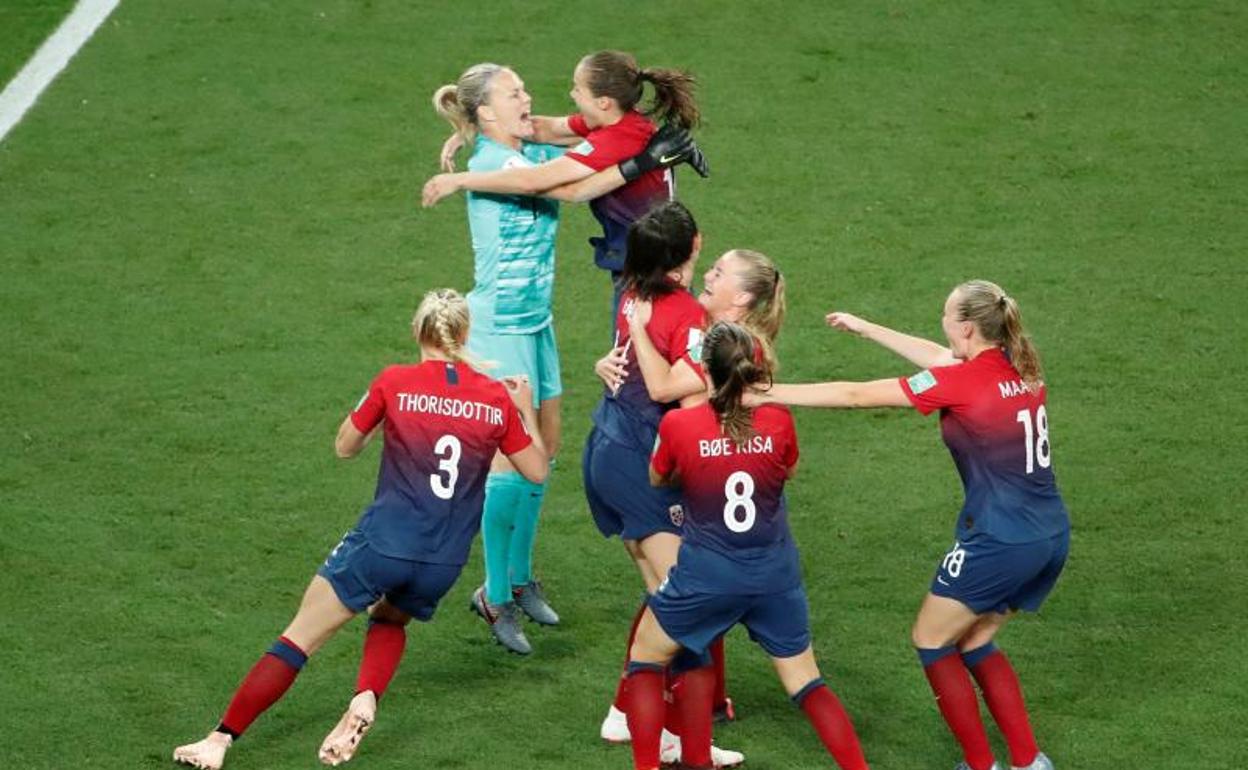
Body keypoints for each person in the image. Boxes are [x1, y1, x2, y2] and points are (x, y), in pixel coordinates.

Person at [171, 289, 548, 770]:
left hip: (383, 544)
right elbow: (535, 470)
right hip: (442, 560)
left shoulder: (394, 382)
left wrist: (382, 422)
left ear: (418, 332)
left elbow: (345, 447)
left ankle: (219, 740)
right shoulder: (495, 398)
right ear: (465, 334)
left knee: (298, 638)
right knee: (390, 618)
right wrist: (523, 407)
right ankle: (366, 697)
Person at [750, 280, 1068, 770]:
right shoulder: (1020, 368)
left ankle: (981, 765)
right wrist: (867, 329)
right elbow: (943, 359)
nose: (941, 324)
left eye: (945, 316)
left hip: (1000, 541)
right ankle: (1029, 761)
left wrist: (764, 393)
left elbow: (857, 394)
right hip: (1049, 536)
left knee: (931, 639)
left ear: (965, 327)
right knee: (977, 639)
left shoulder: (961, 382)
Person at [624, 320, 871, 770]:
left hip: (707, 576)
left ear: (705, 370)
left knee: (645, 657)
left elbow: (657, 478)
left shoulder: (681, 424)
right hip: (775, 576)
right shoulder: (778, 419)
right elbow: (787, 471)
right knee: (807, 683)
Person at [596, 244, 786, 745]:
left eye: (721, 272)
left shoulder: (736, 347)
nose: (709, 273)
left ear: (742, 295)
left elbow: (672, 393)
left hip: (709, 486)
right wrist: (607, 362)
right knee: (684, 594)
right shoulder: (707, 330)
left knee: (678, 593)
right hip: (682, 479)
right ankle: (666, 726)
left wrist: (636, 336)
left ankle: (652, 716)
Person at [422, 50, 706, 322]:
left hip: (647, 267)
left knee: (636, 361)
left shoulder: (614, 139)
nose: (571, 94)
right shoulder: (622, 123)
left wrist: (459, 180)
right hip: (660, 255)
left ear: (604, 102)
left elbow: (546, 184)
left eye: (578, 90)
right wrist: (474, 126)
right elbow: (547, 129)